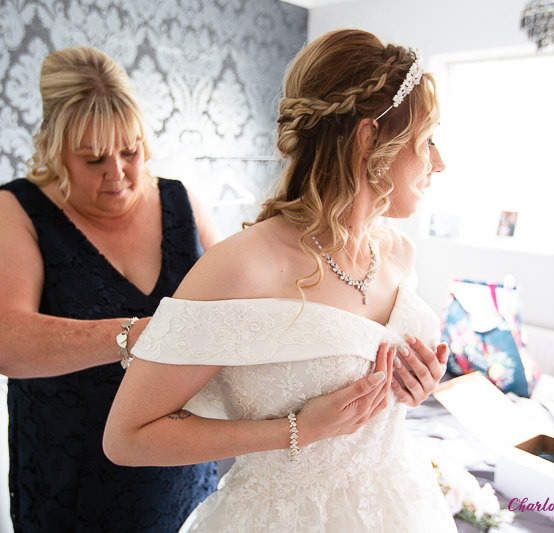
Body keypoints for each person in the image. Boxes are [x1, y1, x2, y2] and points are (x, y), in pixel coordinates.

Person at [104, 29, 456, 532]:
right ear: (369, 139)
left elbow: (375, 399)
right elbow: (126, 437)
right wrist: (297, 429)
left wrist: (414, 384)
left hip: (396, 504)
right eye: (427, 141)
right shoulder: (242, 269)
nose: (439, 162)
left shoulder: (400, 252)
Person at [0, 46, 223, 533]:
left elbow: (243, 305)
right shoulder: (17, 210)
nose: (118, 173)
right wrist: (135, 335)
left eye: (130, 151)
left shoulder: (180, 202)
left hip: (184, 480)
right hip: (75, 490)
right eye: (93, 159)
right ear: (53, 151)